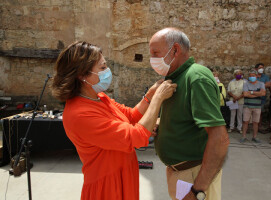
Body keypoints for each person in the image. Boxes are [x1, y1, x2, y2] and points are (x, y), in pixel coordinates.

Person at [51, 41, 177, 200]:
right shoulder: (79, 114)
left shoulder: (99, 98)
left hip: (124, 174)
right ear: (82, 75)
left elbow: (130, 116)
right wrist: (158, 99)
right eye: (102, 68)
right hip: (107, 186)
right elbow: (135, 137)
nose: (107, 71)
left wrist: (150, 95)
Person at [149, 28, 229, 200]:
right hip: (180, 174)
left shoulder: (196, 77)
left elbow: (219, 138)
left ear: (175, 50)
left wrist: (197, 191)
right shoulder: (175, 78)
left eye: (156, 53)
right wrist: (161, 123)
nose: (152, 59)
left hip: (194, 177)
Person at [241, 70, 266, 143]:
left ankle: (254, 137)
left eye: (253, 76)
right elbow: (245, 94)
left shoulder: (261, 84)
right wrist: (257, 93)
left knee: (256, 122)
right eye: (250, 76)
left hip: (257, 106)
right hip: (247, 106)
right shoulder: (246, 84)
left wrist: (251, 92)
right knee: (245, 121)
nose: (252, 77)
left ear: (256, 76)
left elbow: (263, 94)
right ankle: (244, 136)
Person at [255, 63, 271, 133]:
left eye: (262, 68)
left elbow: (269, 84)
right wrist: (263, 86)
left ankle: (259, 126)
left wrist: (259, 85)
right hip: (253, 97)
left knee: (260, 113)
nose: (262, 69)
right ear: (256, 69)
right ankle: (253, 127)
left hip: (262, 98)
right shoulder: (253, 76)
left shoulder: (266, 77)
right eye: (260, 67)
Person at [227, 69, 245, 133]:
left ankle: (239, 128)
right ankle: (231, 127)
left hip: (240, 100)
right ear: (234, 75)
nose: (239, 75)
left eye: (240, 74)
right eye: (237, 74)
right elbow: (229, 91)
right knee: (232, 114)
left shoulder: (244, 82)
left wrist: (238, 98)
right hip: (233, 100)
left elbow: (245, 92)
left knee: (240, 114)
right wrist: (234, 97)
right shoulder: (231, 82)